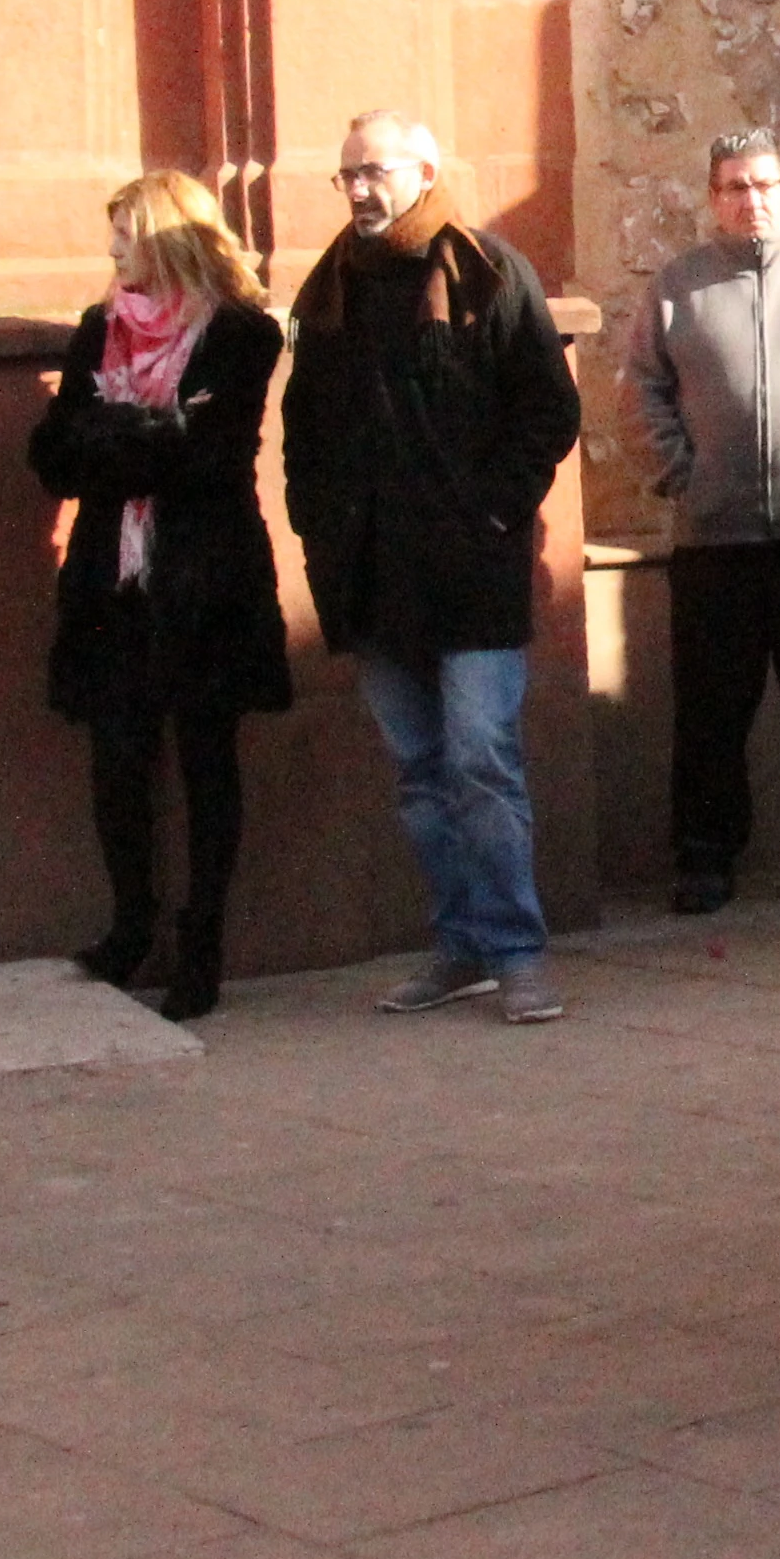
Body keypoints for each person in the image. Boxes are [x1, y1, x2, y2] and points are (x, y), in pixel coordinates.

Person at [279, 110, 586, 1025]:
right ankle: (461, 947)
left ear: (423, 170)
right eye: (348, 176)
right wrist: (316, 528)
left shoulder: (487, 271)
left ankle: (518, 950)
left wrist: (494, 511)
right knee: (419, 771)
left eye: (375, 172)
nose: (361, 191)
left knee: (482, 759)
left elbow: (548, 410)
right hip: (371, 572)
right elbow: (304, 429)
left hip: (473, 573)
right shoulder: (326, 287)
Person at [28, 171, 291, 1020]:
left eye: (125, 235)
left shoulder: (241, 333)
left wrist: (117, 434)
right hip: (115, 579)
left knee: (207, 757)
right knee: (117, 757)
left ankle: (202, 942)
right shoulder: (96, 330)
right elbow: (56, 457)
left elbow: (213, 459)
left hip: (204, 577)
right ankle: (130, 925)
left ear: (170, 238)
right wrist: (147, 431)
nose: (112, 253)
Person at [624, 130, 780, 915]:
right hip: (716, 543)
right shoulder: (679, 286)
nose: (752, 199)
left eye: (765, 184)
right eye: (734, 187)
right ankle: (704, 859)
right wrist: (684, 475)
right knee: (708, 715)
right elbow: (642, 389)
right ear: (713, 198)